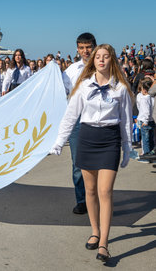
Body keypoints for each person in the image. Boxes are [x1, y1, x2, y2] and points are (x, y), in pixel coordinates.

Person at [50, 44, 132, 262]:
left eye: (106, 57)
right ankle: (95, 231)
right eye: (98, 57)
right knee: (91, 191)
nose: (102, 60)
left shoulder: (120, 88)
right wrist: (59, 141)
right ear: (93, 60)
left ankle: (104, 243)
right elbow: (70, 116)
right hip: (87, 138)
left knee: (105, 191)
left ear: (112, 60)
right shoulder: (84, 86)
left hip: (110, 140)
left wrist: (127, 148)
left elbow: (125, 121)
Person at [62, 32, 97, 215]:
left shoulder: (104, 67)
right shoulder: (71, 71)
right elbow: (59, 90)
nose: (85, 51)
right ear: (77, 49)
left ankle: (98, 199)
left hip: (96, 120)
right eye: (82, 48)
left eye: (88, 47)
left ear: (94, 46)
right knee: (77, 164)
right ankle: (82, 200)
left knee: (98, 163)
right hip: (77, 121)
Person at [136, 78, 155, 155]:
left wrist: (145, 121)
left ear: (144, 89)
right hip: (151, 120)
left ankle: (146, 155)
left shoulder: (144, 99)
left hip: (145, 121)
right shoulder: (152, 97)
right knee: (150, 139)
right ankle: (151, 154)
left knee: (145, 139)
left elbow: (146, 111)